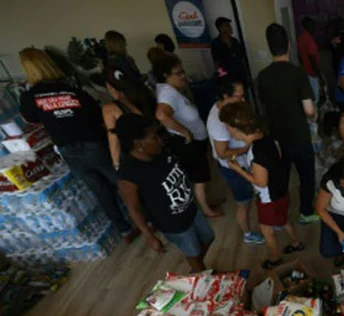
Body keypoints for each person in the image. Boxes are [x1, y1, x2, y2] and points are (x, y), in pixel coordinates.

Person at [17, 48, 136, 242]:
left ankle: (125, 231)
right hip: (94, 144)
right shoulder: (73, 91)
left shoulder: (30, 96)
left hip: (68, 150)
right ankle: (147, 221)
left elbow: (29, 119)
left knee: (101, 191)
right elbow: (98, 115)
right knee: (123, 182)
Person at [116, 114, 214, 272]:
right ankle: (202, 275)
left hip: (191, 208)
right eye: (154, 138)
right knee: (194, 254)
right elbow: (133, 208)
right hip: (173, 223)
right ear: (138, 143)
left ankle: (196, 272)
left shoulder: (159, 151)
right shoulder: (129, 173)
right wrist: (150, 236)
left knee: (209, 237)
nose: (160, 141)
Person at [220, 102, 305, 269]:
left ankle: (275, 258)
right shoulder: (267, 137)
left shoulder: (257, 151)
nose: (227, 131)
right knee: (283, 218)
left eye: (228, 127)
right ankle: (296, 243)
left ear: (236, 128)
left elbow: (260, 182)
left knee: (267, 230)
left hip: (268, 198)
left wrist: (237, 169)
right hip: (281, 189)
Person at [257, 23, 319, 224]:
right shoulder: (297, 73)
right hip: (299, 137)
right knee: (306, 177)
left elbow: (264, 107)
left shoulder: (262, 76)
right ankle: (306, 212)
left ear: (269, 47)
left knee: (281, 178)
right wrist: (314, 114)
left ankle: (280, 215)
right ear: (289, 46)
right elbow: (309, 110)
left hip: (277, 139)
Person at [153, 53, 222, 218]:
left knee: (202, 175)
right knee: (199, 177)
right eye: (178, 73)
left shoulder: (171, 90)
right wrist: (184, 131)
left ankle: (206, 202)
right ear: (165, 75)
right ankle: (206, 209)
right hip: (188, 143)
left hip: (195, 140)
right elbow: (161, 115)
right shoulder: (167, 94)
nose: (183, 76)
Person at [206, 73, 264, 245]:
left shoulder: (230, 109)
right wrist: (246, 147)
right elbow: (222, 152)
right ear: (226, 96)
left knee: (251, 195)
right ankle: (247, 233)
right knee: (243, 202)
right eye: (239, 96)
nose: (243, 99)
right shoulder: (218, 122)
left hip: (242, 162)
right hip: (233, 166)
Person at [102, 66, 156, 169]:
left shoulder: (110, 108)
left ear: (109, 86)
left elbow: (113, 138)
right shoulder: (140, 96)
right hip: (155, 144)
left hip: (139, 154)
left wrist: (116, 164)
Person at [211, 17, 249, 86]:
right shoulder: (216, 43)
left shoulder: (235, 41)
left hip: (240, 76)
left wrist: (246, 74)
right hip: (228, 78)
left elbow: (242, 58)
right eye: (227, 26)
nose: (230, 28)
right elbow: (216, 63)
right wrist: (222, 77)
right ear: (221, 28)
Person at [297, 16, 322, 104]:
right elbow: (313, 60)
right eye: (313, 25)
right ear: (309, 26)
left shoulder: (301, 37)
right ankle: (314, 116)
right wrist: (320, 76)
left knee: (308, 96)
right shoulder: (309, 40)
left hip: (306, 71)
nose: (314, 28)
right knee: (315, 99)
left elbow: (299, 55)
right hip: (312, 73)